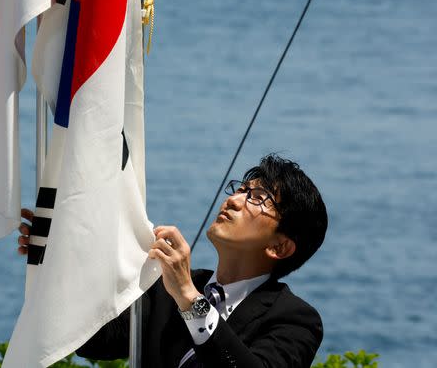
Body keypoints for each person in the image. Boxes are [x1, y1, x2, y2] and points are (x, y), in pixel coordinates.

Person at [17, 154, 328, 368]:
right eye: (242, 189)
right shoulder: (168, 287)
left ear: (280, 246)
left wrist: (189, 299)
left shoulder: (296, 319)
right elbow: (93, 341)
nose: (233, 200)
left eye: (258, 198)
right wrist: (57, 257)